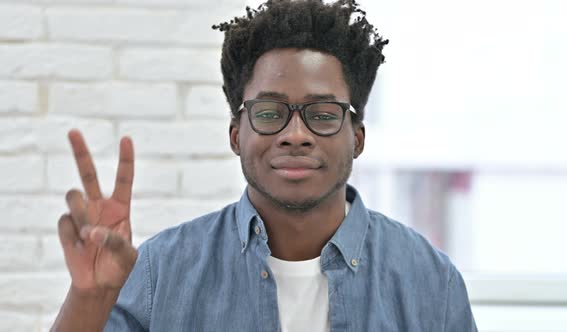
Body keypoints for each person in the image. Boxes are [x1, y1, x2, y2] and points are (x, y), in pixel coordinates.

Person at [51, 0, 478, 331]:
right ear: (237, 134)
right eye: (271, 112)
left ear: (358, 138)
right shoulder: (158, 271)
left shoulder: (429, 282)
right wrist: (90, 298)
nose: (296, 134)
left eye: (324, 114)